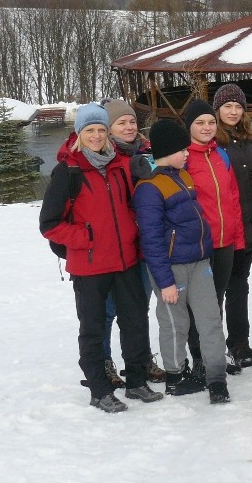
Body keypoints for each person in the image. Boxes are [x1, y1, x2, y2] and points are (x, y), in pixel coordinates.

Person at [39, 103, 162, 413]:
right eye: (90, 130)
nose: (96, 135)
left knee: (135, 322)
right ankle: (99, 390)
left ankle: (136, 382)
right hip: (90, 265)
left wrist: (132, 230)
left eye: (101, 130)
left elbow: (131, 206)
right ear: (79, 133)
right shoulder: (68, 171)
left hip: (125, 260)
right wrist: (86, 238)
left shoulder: (119, 165)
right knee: (93, 329)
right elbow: (49, 224)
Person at [133, 119, 231, 404]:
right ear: (167, 151)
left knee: (210, 319)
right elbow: (151, 239)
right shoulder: (149, 188)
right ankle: (175, 376)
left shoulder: (183, 176)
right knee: (175, 323)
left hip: (199, 262)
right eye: (183, 150)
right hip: (171, 268)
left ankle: (216, 377)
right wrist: (164, 282)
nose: (188, 154)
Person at [99, 97, 165, 386]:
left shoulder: (148, 153)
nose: (128, 127)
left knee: (139, 308)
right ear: (108, 128)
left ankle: (141, 359)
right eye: (121, 122)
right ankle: (103, 362)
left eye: (132, 121)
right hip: (112, 247)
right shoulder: (103, 157)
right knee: (107, 311)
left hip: (143, 246)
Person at [183, 98, 244, 377]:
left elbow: (233, 198)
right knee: (199, 306)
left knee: (216, 301)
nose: (207, 127)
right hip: (200, 245)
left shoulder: (221, 155)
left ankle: (214, 355)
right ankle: (198, 356)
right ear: (189, 126)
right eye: (200, 123)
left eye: (210, 122)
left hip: (225, 242)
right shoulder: (183, 158)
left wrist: (237, 238)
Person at [213, 84, 252, 368]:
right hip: (223, 227)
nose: (233, 111)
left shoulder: (249, 141)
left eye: (238, 106)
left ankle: (239, 342)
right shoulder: (213, 141)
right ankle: (212, 347)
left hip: (247, 225)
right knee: (216, 289)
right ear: (218, 110)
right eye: (227, 106)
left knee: (239, 285)